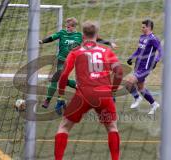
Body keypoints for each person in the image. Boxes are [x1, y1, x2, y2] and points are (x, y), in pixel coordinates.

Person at [54, 21, 123, 160]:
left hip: (83, 96)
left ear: (83, 35)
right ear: (97, 34)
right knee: (112, 128)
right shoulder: (107, 51)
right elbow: (119, 72)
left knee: (64, 127)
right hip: (103, 95)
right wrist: (113, 91)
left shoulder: (75, 52)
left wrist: (61, 96)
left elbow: (64, 75)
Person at [39, 17, 117, 109]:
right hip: (61, 59)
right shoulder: (62, 33)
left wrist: (109, 43)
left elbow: (96, 38)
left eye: (69, 27)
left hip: (74, 60)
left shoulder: (80, 35)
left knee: (58, 79)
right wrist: (42, 41)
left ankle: (78, 89)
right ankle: (49, 100)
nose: (67, 28)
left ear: (74, 27)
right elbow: (52, 38)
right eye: (66, 26)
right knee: (58, 79)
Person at [126, 19, 163, 115]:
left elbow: (161, 51)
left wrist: (156, 60)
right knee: (141, 88)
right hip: (138, 65)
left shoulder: (153, 39)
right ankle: (154, 104)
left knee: (129, 83)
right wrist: (131, 58)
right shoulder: (142, 37)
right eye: (141, 27)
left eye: (143, 27)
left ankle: (137, 98)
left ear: (149, 27)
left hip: (146, 67)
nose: (141, 28)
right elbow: (138, 51)